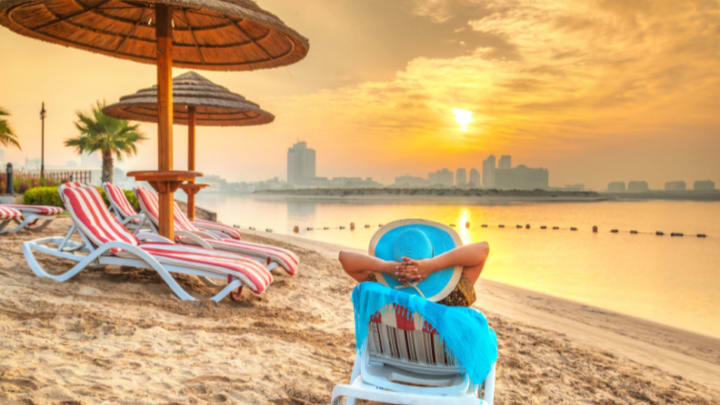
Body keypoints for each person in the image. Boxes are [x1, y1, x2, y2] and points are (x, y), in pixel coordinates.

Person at [338, 240, 489, 307]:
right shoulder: (455, 295)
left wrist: (388, 267)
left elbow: (344, 257)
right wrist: (432, 265)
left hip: (396, 363)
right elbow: (483, 249)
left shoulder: (383, 290)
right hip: (444, 368)